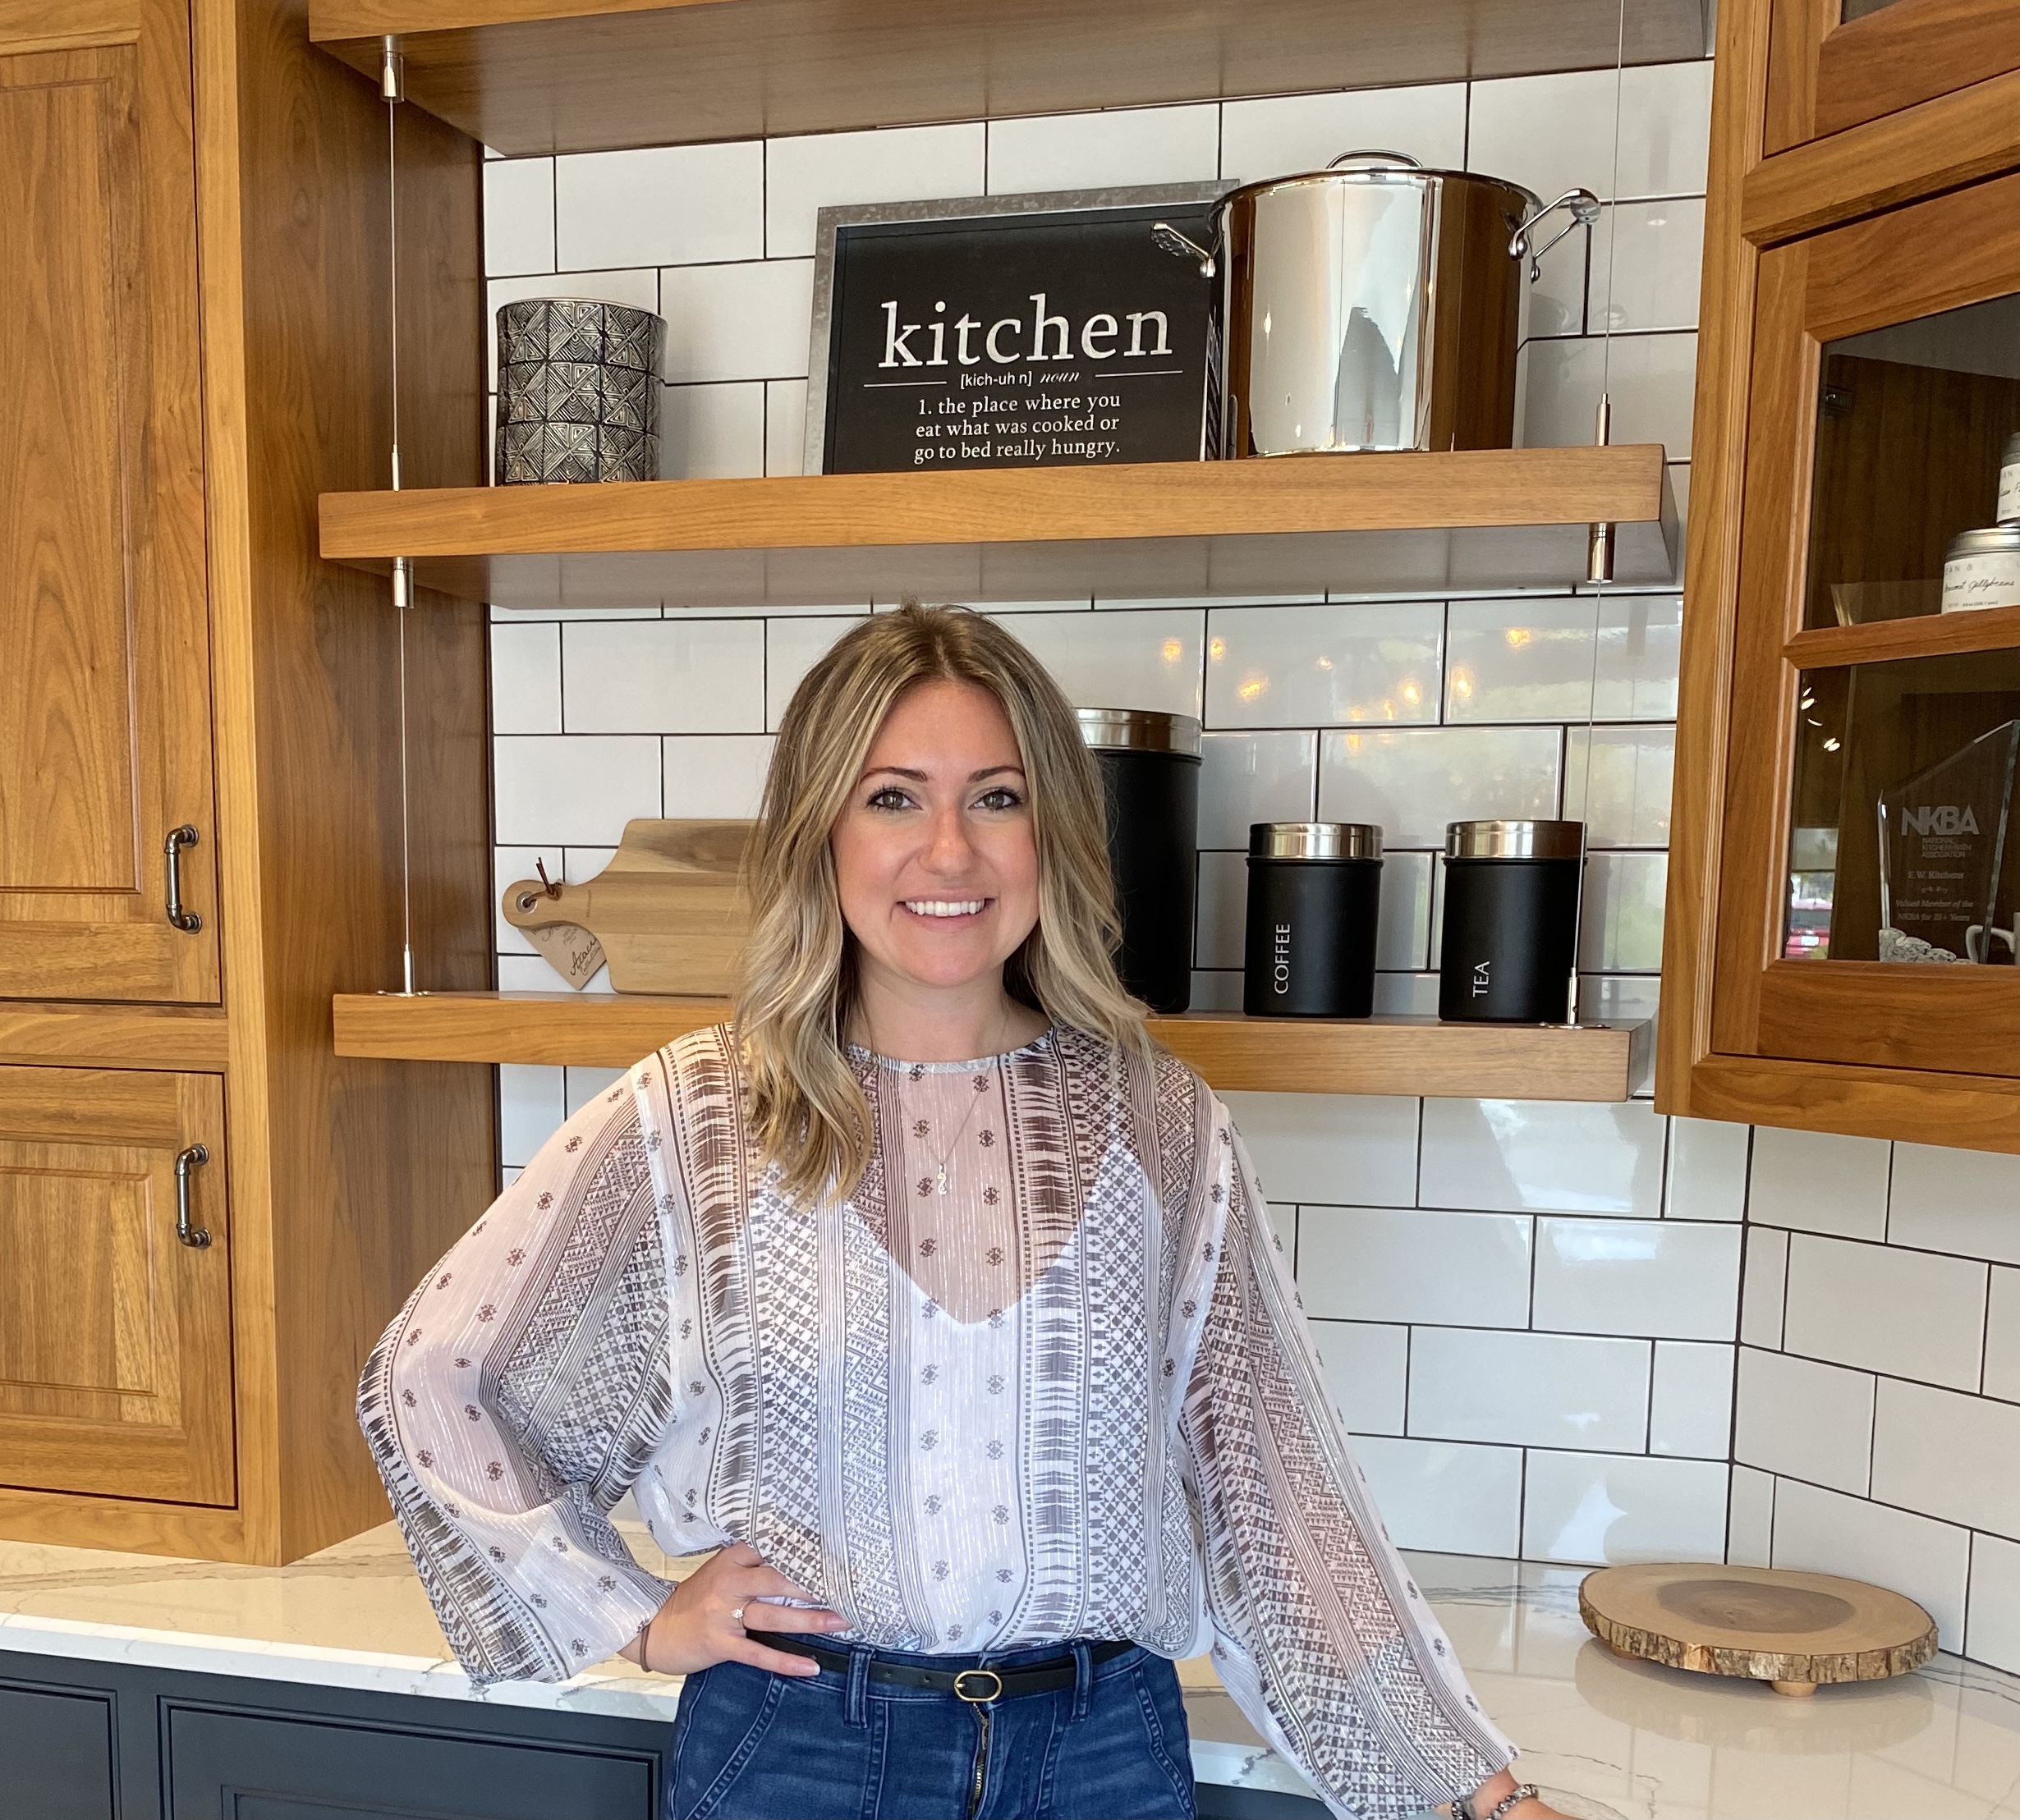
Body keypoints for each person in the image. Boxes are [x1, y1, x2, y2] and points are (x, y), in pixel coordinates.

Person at [360, 605, 1563, 1820]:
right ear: (821, 833)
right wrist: (633, 1616)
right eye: (892, 798)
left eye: (997, 798)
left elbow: (1279, 1494)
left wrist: (1483, 1796)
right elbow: (434, 1377)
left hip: (1101, 1759)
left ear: (1054, 834)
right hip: (799, 1751)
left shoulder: (1158, 1119)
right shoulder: (703, 1113)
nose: (949, 851)